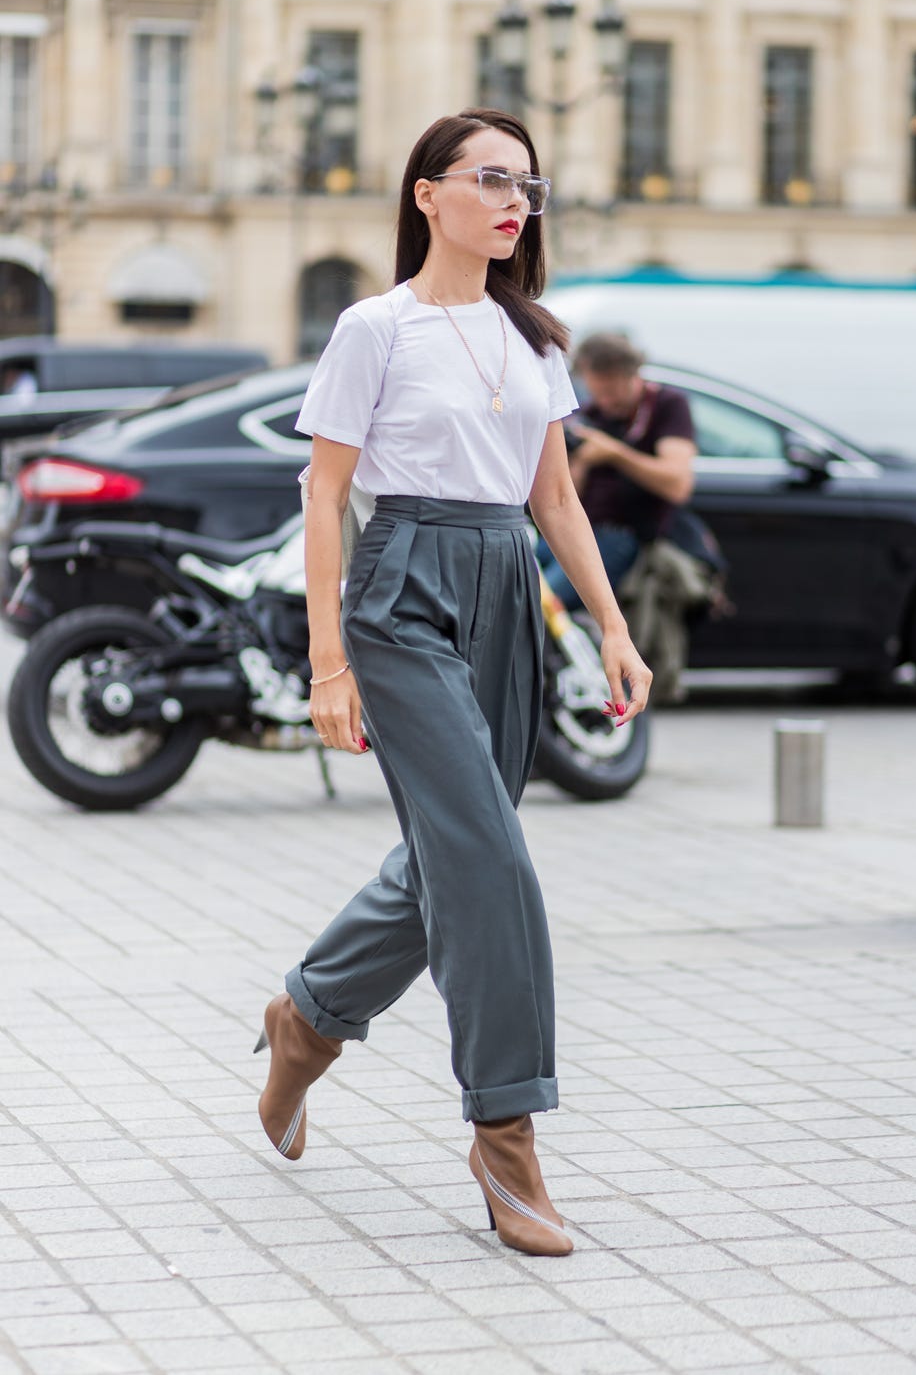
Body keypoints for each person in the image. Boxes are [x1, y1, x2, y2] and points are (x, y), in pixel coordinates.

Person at [254, 109, 651, 1258]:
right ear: (426, 194)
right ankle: (505, 1133)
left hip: (503, 585)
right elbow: (323, 496)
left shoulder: (534, 340)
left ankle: (306, 1020)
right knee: (486, 857)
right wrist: (328, 660)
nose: (512, 199)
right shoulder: (372, 329)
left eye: (526, 183)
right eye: (488, 178)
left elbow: (557, 501)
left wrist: (610, 630)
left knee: (449, 856)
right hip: (402, 587)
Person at [537, 332, 697, 610]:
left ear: (632, 375)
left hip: (626, 536)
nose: (606, 402)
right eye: (597, 393)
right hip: (580, 529)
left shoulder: (667, 406)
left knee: (545, 607)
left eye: (611, 393)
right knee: (516, 586)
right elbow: (561, 495)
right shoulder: (590, 415)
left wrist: (614, 454)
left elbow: (677, 484)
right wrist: (581, 461)